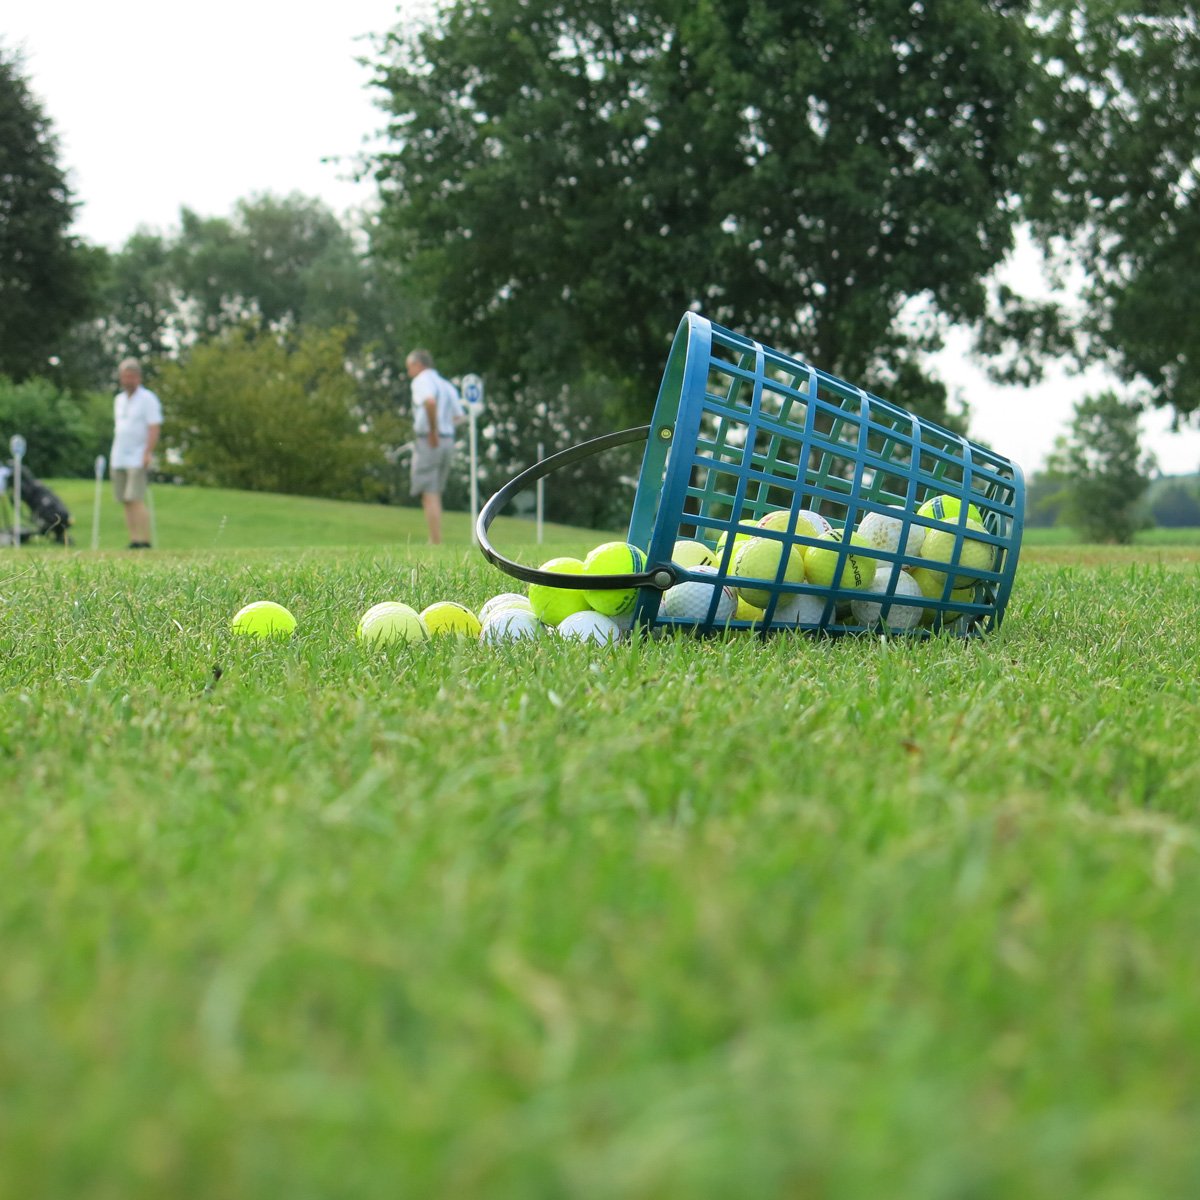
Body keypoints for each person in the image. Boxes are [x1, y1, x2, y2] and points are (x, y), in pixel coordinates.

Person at [405, 349, 466, 544]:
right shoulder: (446, 385)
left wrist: (433, 429)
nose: (409, 373)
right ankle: (435, 538)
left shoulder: (422, 381)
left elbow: (429, 402)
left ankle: (435, 540)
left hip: (431, 440)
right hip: (448, 440)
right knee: (436, 491)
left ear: (418, 364)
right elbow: (459, 416)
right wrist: (444, 427)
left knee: (429, 491)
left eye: (410, 367)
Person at [111, 358, 162, 549]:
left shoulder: (148, 399)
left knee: (136, 497)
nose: (127, 380)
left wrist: (148, 452)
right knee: (125, 499)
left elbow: (154, 427)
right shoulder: (119, 400)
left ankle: (145, 539)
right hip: (118, 457)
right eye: (125, 377)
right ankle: (134, 539)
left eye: (131, 377)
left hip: (138, 456)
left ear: (138, 378)